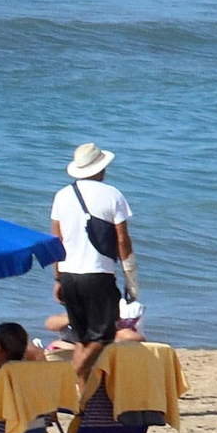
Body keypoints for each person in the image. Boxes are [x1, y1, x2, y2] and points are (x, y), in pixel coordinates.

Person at [50, 142, 139, 384]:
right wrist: (131, 280)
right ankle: (71, 379)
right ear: (100, 169)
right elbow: (123, 241)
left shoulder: (62, 196)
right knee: (103, 336)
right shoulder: (112, 195)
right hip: (98, 275)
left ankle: (81, 401)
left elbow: (56, 240)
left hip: (69, 274)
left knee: (82, 339)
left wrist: (57, 278)